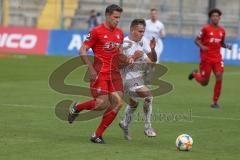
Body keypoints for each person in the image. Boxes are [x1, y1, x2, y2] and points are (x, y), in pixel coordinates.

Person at [68, 4, 135, 144]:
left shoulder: (120, 33)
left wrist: (128, 59)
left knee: (118, 103)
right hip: (99, 74)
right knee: (101, 104)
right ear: (107, 16)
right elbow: (82, 50)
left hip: (115, 74)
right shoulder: (96, 31)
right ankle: (77, 107)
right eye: (115, 17)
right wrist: (91, 69)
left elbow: (119, 53)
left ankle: (97, 135)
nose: (117, 20)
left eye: (119, 18)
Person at [119, 19, 157, 140]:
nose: (142, 34)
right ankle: (148, 127)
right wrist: (134, 57)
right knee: (149, 96)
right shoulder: (124, 43)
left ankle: (124, 123)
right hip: (124, 79)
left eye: (143, 32)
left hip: (137, 79)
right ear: (132, 30)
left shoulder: (142, 42)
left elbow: (152, 63)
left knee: (134, 104)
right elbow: (119, 65)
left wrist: (153, 49)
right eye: (140, 31)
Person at [188, 8, 232, 108]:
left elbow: (221, 43)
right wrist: (202, 46)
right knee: (204, 82)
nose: (215, 18)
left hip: (217, 58)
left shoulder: (222, 31)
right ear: (210, 18)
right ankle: (194, 74)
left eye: (217, 16)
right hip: (206, 58)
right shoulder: (205, 29)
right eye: (213, 16)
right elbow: (196, 40)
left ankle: (215, 102)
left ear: (219, 18)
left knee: (219, 76)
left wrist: (227, 46)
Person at [144, 8, 166, 84]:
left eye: (155, 14)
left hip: (155, 46)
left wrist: (163, 35)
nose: (153, 15)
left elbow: (163, 34)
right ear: (150, 14)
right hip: (146, 45)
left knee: (153, 62)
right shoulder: (146, 23)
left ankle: (148, 79)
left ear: (157, 15)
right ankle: (146, 72)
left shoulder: (160, 25)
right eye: (152, 14)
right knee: (147, 62)